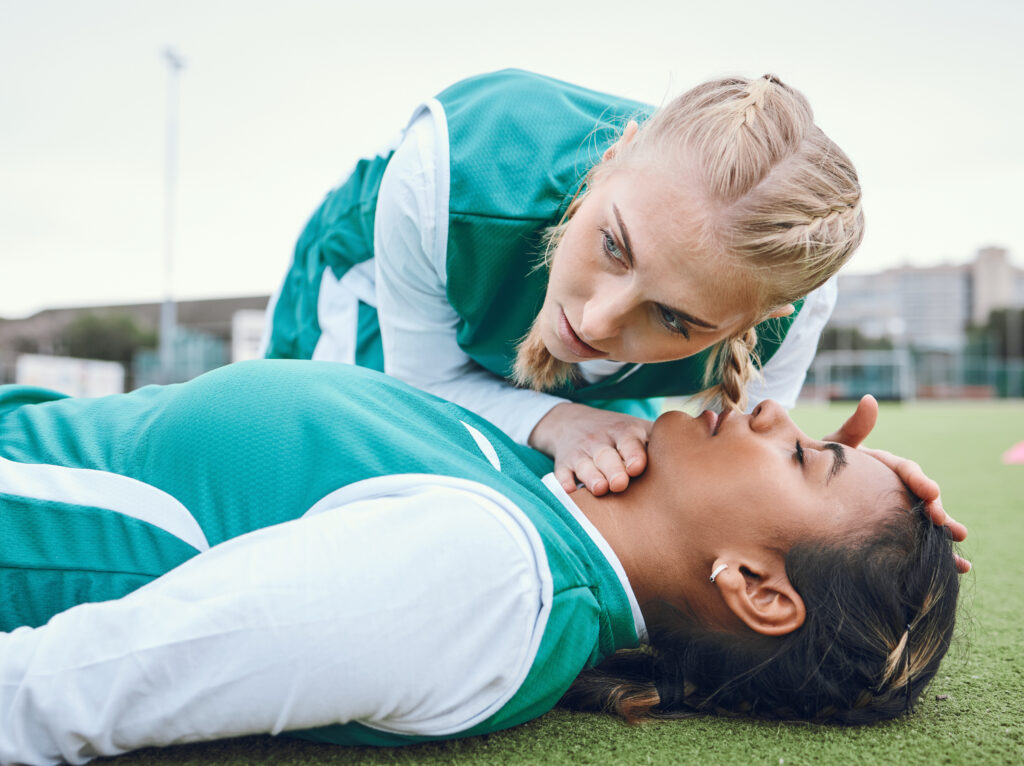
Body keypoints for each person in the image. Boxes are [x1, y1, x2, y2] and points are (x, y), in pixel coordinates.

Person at [0, 360, 961, 765]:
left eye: (802, 455)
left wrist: (827, 529)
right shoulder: (554, 489)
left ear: (754, 586)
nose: (773, 411)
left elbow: (62, 690)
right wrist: (825, 513)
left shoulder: (486, 581)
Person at [261, 68, 866, 496]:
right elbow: (424, 383)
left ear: (761, 320)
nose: (597, 322)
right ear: (611, 159)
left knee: (618, 485)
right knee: (342, 482)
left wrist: (839, 501)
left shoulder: (795, 307)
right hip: (366, 290)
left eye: (675, 318)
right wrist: (559, 422)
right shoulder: (446, 174)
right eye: (613, 246)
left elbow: (732, 484)